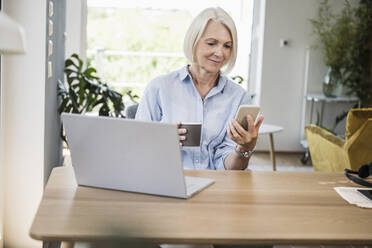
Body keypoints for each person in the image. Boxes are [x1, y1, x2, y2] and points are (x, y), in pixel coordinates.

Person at [135, 7, 264, 170]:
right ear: (193, 41)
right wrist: (161, 142)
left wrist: (244, 148)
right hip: (168, 182)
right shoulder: (159, 88)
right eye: (212, 43)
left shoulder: (238, 97)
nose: (220, 53)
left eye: (227, 46)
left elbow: (231, 168)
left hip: (217, 187)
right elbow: (137, 146)